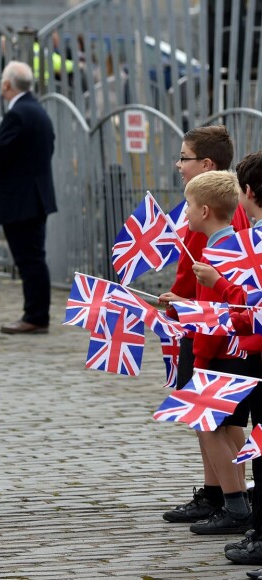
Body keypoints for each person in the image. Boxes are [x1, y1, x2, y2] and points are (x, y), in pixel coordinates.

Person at [159, 126, 251, 524]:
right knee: (218, 422)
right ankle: (222, 495)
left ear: (206, 164)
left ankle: (230, 499)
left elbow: (207, 284)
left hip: (205, 334)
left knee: (212, 421)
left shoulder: (211, 225)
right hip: (206, 328)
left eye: (184, 158)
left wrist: (181, 307)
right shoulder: (223, 209)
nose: (179, 165)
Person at [194, 152, 262, 572]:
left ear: (250, 192)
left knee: (228, 426)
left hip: (246, 348)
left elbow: (252, 304)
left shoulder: (249, 243)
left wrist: (218, 284)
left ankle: (242, 511)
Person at [0, 61, 57, 334]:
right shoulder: (36, 110)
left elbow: (0, 154)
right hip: (33, 198)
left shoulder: (18, 114)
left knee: (29, 260)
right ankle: (36, 313)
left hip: (22, 202)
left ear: (7, 85)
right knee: (32, 258)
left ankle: (35, 316)